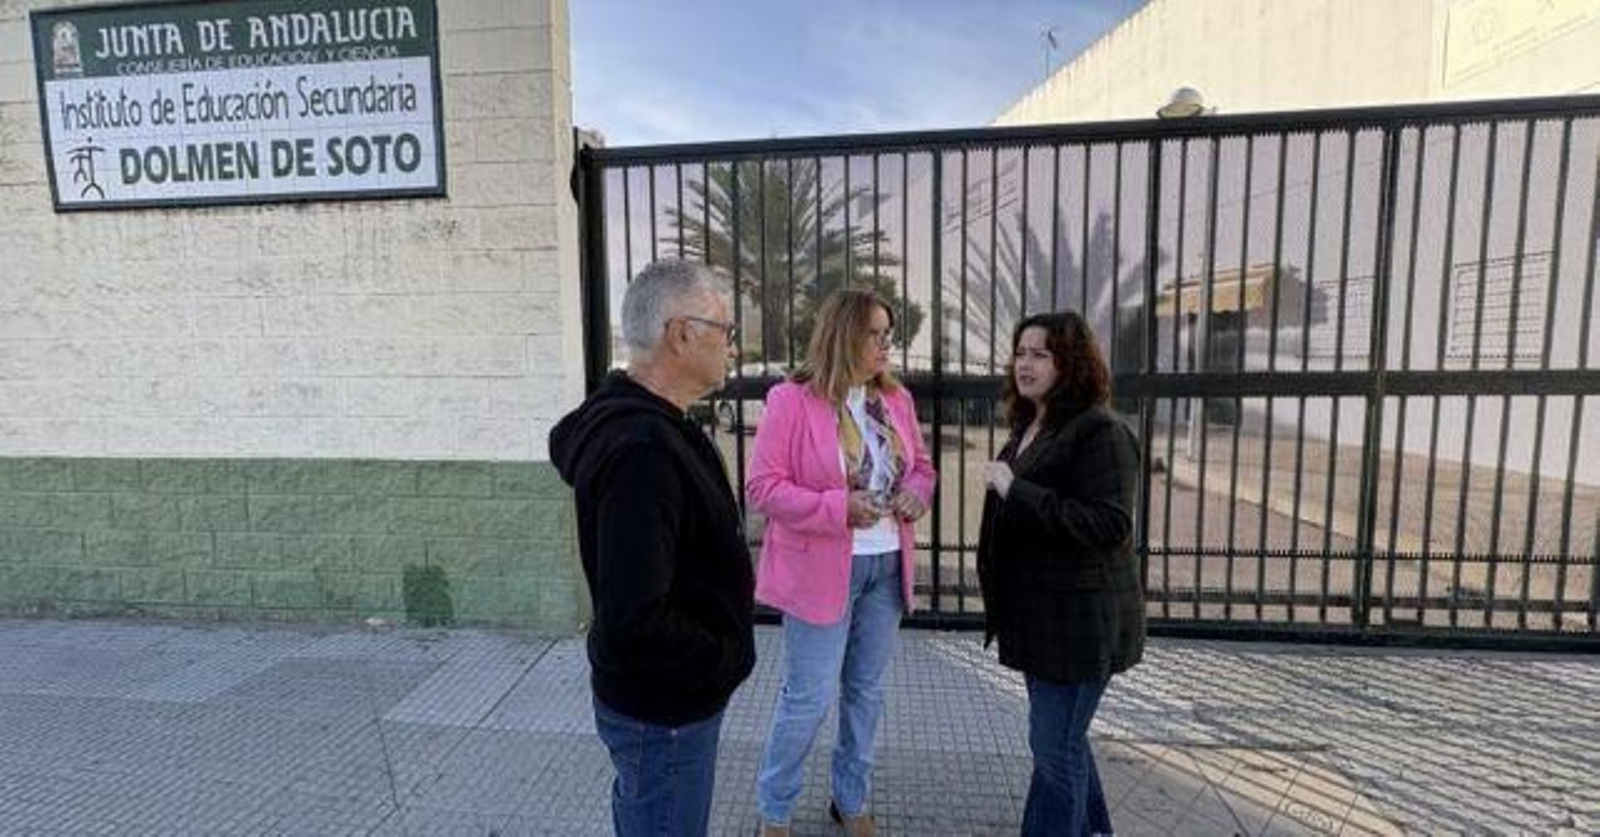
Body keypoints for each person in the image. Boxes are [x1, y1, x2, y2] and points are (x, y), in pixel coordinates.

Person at [549, 258, 756, 837]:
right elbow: (633, 617)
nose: (731, 348)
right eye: (725, 330)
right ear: (681, 333)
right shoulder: (644, 449)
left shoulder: (654, 427)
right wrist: (721, 656)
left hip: (664, 703)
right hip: (664, 710)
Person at [748, 289, 937, 837]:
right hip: (819, 571)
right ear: (844, 335)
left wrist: (917, 495)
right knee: (808, 699)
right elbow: (763, 488)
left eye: (888, 335)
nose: (886, 345)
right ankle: (775, 809)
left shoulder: (895, 399)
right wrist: (837, 508)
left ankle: (849, 800)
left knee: (866, 694)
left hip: (885, 566)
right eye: (875, 334)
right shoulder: (792, 399)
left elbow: (921, 467)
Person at [977, 312, 1145, 837]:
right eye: (1020, 352)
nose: (1024, 364)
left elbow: (1110, 523)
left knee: (1054, 751)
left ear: (1068, 362)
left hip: (1078, 625)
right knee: (1062, 743)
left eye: (1040, 354)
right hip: (1042, 621)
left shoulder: (1100, 431)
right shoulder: (1033, 422)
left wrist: (1014, 489)